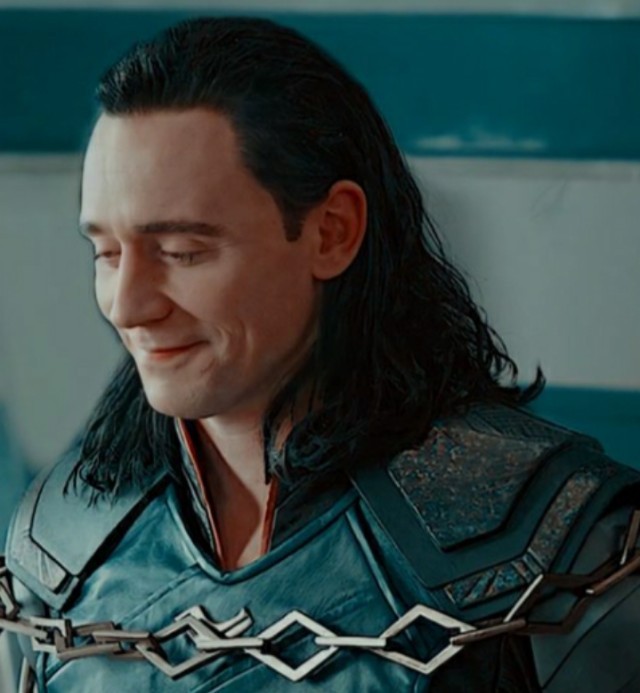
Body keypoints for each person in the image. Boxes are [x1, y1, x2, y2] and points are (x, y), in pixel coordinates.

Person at [1, 16, 639, 692]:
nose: (127, 306)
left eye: (183, 251)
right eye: (105, 252)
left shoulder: (563, 545)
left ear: (332, 232)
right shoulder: (58, 548)